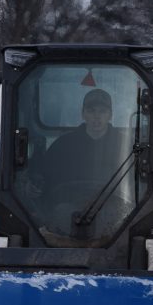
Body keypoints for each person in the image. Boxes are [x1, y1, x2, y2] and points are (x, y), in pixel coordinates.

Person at [35, 88, 130, 237]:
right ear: (83, 114)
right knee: (60, 213)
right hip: (69, 210)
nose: (96, 117)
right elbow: (45, 178)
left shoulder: (126, 146)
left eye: (102, 111)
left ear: (110, 115)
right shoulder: (63, 146)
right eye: (91, 111)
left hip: (112, 210)